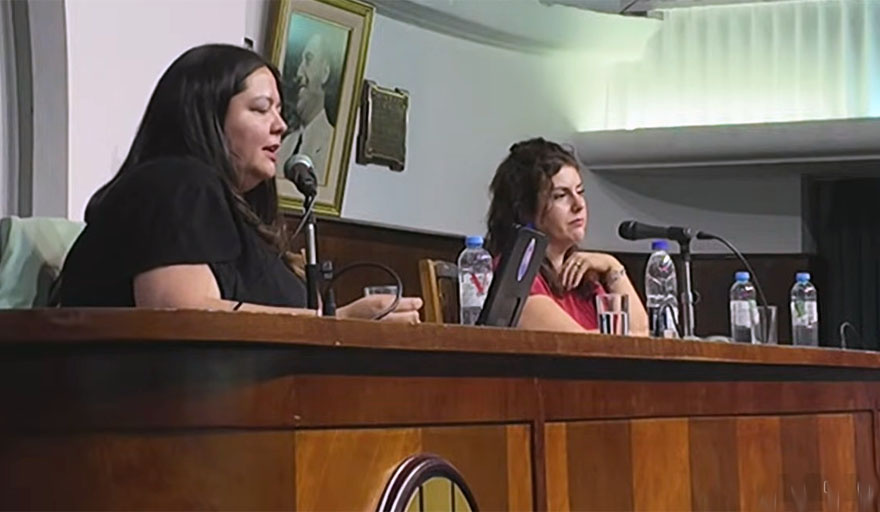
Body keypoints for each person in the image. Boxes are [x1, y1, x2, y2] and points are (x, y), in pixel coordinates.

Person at [59, 43, 421, 323]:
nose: (281, 125)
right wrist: (336, 323)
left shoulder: (226, 206)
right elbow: (179, 313)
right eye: (261, 108)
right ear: (207, 116)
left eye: (280, 110)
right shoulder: (176, 183)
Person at [486, 138, 648, 335]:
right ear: (526, 209)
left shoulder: (582, 277)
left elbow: (640, 335)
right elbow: (580, 345)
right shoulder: (517, 275)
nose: (579, 205)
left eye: (580, 191)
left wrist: (612, 265)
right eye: (561, 196)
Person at [277, 32, 336, 184]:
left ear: (325, 73)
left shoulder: (332, 147)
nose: (299, 72)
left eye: (308, 60)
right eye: (300, 62)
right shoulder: (286, 144)